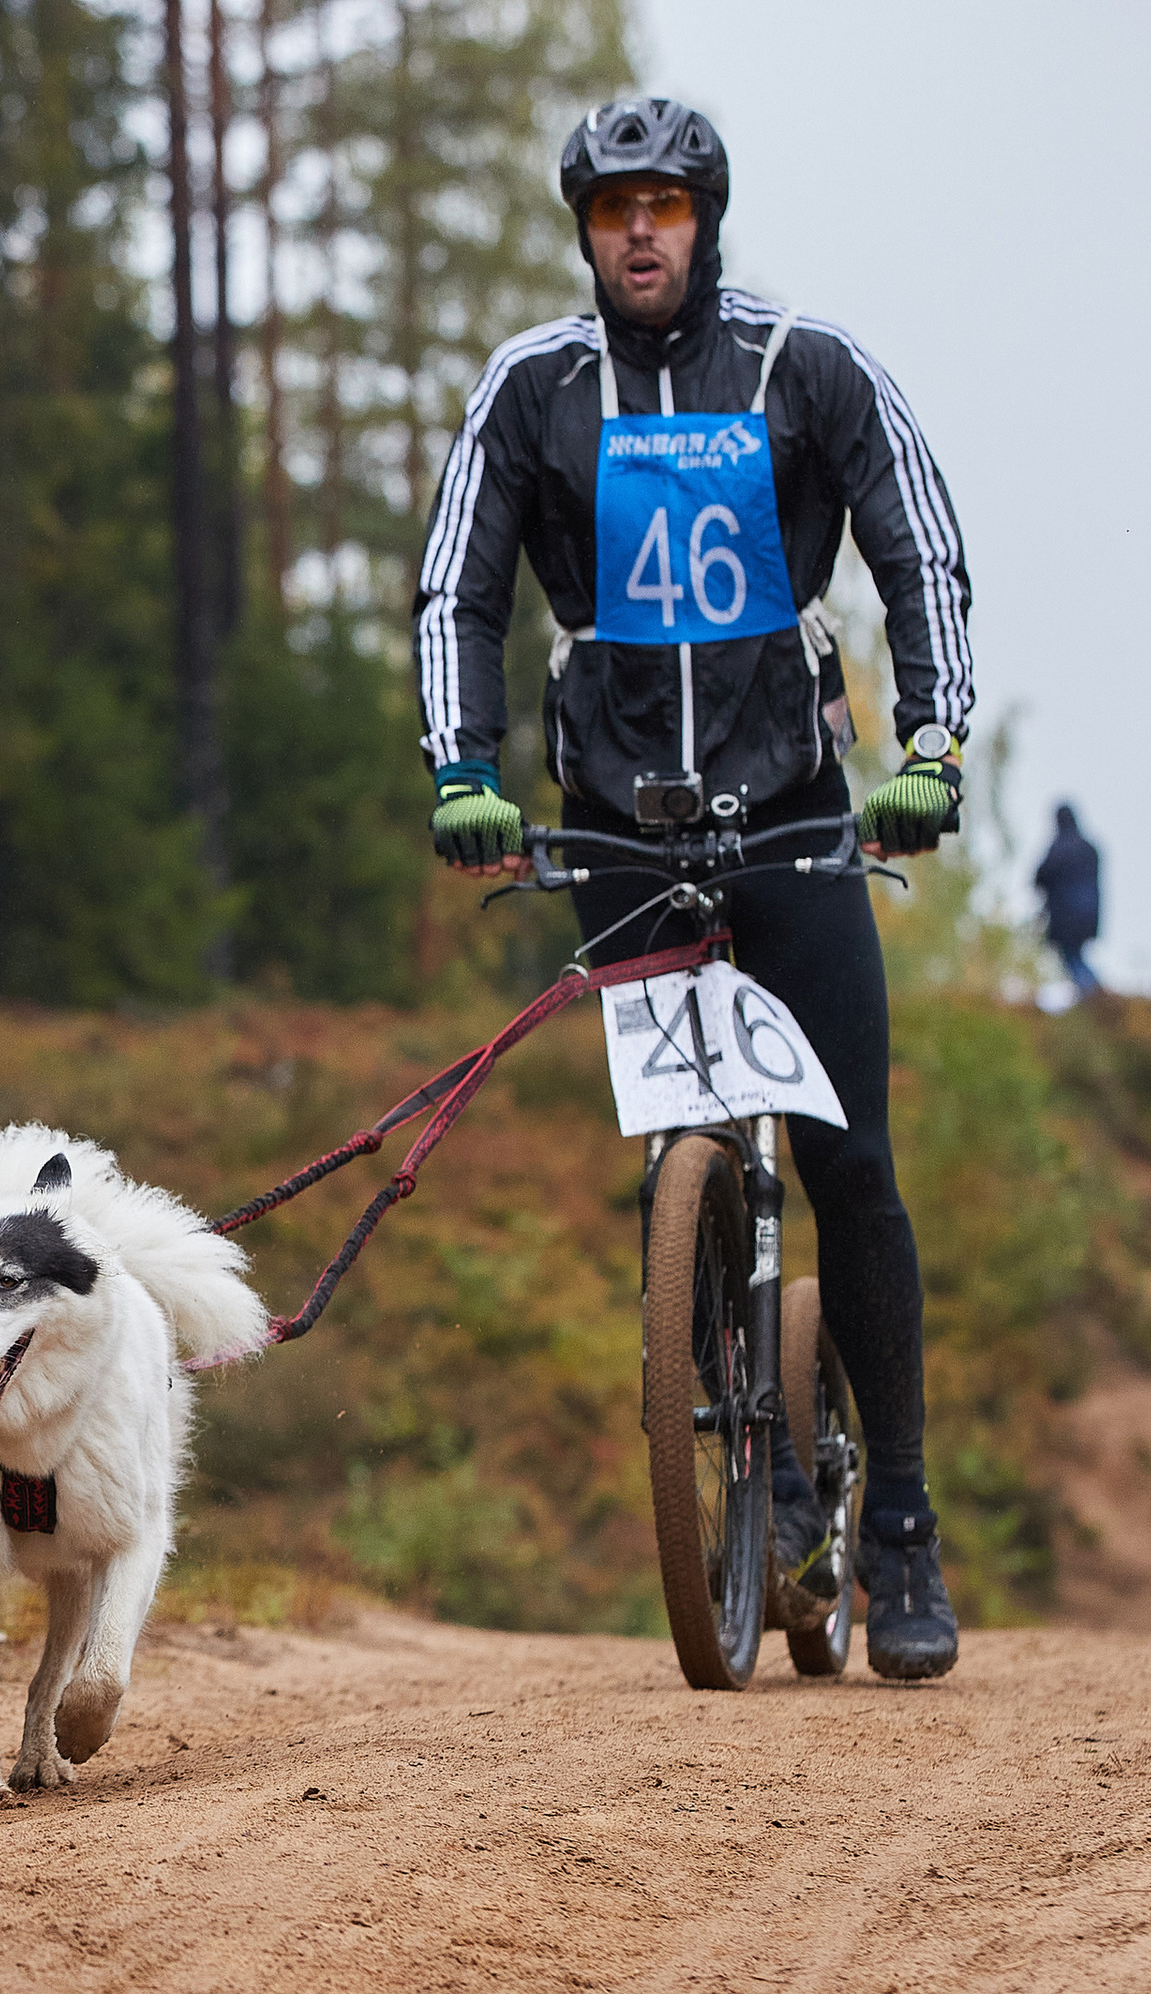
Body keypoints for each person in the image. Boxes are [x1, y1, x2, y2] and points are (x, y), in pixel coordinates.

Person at [411, 96, 971, 1681]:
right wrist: (463, 769)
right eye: (612, 211)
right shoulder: (533, 390)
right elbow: (459, 582)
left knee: (851, 1165)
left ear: (706, 219)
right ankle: (755, 1458)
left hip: (791, 814)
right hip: (617, 830)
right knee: (683, 1149)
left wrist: (931, 744)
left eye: (665, 206)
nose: (639, 233)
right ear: (583, 231)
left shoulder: (806, 366)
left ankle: (906, 1524)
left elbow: (915, 548)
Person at [1035, 804, 1103, 999]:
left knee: (1071, 957)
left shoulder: (1059, 848)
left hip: (1065, 917)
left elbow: (1040, 876)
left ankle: (1094, 994)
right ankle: (1094, 994)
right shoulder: (1090, 849)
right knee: (1076, 956)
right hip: (1090, 916)